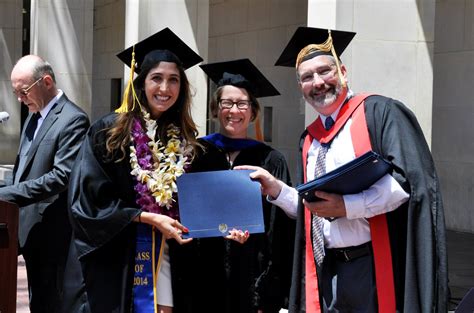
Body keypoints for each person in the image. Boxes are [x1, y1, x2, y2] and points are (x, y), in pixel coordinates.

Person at [238, 27, 448, 312]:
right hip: (327, 269)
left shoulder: (380, 114)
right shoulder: (309, 140)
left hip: (373, 267)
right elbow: (314, 210)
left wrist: (347, 206)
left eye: (325, 71)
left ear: (343, 72)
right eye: (307, 77)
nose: (318, 82)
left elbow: (408, 186)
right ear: (300, 87)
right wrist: (276, 190)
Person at [60, 28, 231, 313]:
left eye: (173, 80)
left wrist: (228, 227)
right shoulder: (109, 133)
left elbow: (209, 206)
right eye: (157, 78)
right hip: (121, 259)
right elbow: (86, 201)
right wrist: (146, 217)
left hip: (172, 257)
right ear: (141, 83)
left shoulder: (190, 146)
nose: (165, 89)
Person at [168, 58, 296, 313]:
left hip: (250, 278)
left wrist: (269, 291)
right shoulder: (195, 153)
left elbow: (280, 231)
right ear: (215, 109)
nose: (234, 111)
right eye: (226, 103)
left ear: (253, 111)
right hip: (202, 278)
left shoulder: (270, 160)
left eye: (242, 104)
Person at [0, 55, 89, 312]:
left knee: (52, 303)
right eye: (16, 92)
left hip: (54, 234)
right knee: (37, 301)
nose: (19, 99)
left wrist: (7, 194)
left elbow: (61, 177)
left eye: (23, 91)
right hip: (28, 230)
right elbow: (23, 171)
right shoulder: (33, 116)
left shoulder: (73, 119)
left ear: (46, 81)